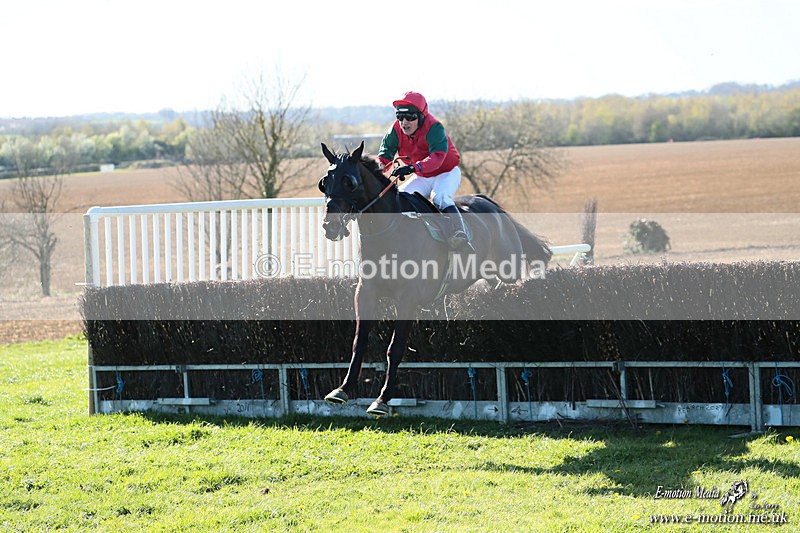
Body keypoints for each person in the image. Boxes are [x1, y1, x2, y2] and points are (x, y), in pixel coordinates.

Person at [377, 91, 473, 252]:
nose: (404, 123)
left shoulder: (434, 127)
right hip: (422, 176)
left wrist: (412, 168)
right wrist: (372, 169)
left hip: (446, 173)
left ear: (421, 117)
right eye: (400, 117)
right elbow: (384, 157)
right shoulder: (395, 130)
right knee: (399, 198)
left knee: (440, 197)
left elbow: (437, 159)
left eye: (410, 117)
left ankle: (460, 234)